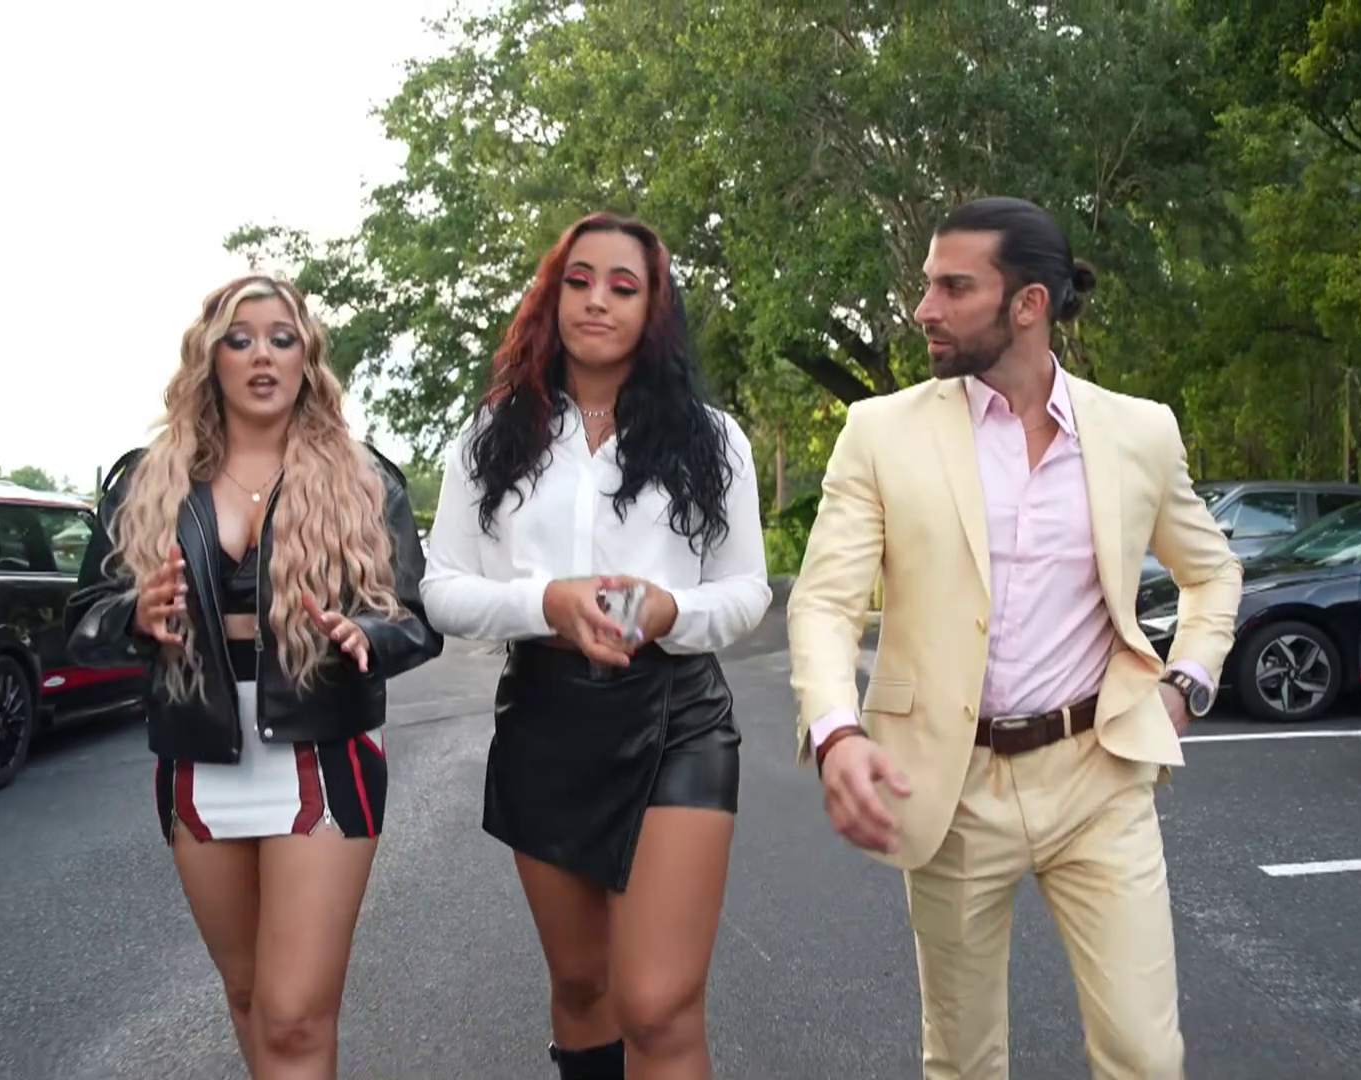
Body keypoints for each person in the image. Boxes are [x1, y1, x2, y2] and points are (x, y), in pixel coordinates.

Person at [785, 197, 1242, 1080]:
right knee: (963, 1063)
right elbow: (824, 603)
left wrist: (1187, 683)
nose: (924, 309)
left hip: (1099, 776)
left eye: (953, 288)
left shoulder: (1139, 433)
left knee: (1146, 1057)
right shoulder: (880, 433)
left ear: (1029, 304)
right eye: (928, 285)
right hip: (950, 786)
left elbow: (1212, 571)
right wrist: (837, 731)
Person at [64, 273, 443, 1079]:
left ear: (308, 357)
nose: (262, 356)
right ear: (211, 359)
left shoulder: (364, 478)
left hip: (322, 751)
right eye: (240, 340)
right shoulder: (146, 479)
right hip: (197, 754)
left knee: (295, 1015)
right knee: (247, 998)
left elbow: (416, 618)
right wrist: (136, 614)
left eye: (281, 338)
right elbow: (84, 620)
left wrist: (366, 632)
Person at [420, 212, 770, 1080]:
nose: (597, 301)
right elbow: (442, 590)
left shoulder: (712, 439)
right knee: (582, 985)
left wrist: (668, 612)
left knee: (656, 1002)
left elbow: (746, 592)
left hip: (678, 719)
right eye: (578, 281)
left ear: (655, 308)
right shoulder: (492, 436)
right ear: (552, 298)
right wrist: (546, 602)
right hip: (545, 720)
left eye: (623, 285)